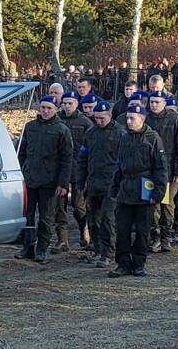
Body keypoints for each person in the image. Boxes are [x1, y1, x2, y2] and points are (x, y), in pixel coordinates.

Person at [15, 95, 74, 264]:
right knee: (28, 215)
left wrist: (63, 183)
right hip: (30, 178)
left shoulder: (62, 130)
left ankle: (42, 248)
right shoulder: (30, 127)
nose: (45, 111)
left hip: (50, 182)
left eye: (49, 108)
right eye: (43, 108)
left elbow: (67, 159)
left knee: (46, 217)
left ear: (56, 109)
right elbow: (22, 152)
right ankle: (28, 246)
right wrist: (20, 173)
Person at [111, 104, 167, 278]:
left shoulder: (152, 138)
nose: (128, 121)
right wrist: (114, 187)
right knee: (122, 230)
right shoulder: (124, 138)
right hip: (126, 189)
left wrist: (158, 192)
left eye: (132, 118)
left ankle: (139, 263)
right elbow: (119, 164)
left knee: (143, 230)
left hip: (144, 188)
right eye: (127, 118)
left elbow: (160, 167)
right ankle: (122, 263)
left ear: (142, 119)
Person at [77, 100, 126, 268]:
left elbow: (124, 161)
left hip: (111, 184)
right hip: (93, 183)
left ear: (110, 116)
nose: (99, 121)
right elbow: (83, 159)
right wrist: (80, 182)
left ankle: (108, 252)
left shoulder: (120, 133)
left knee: (107, 219)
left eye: (102, 118)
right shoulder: (91, 133)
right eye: (97, 118)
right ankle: (97, 249)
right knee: (93, 219)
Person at [145, 91, 178, 253]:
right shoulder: (146, 120)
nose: (154, 105)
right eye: (152, 102)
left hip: (170, 172)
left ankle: (166, 236)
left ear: (164, 103)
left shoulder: (174, 121)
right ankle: (155, 236)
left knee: (167, 205)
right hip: (150, 172)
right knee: (153, 205)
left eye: (157, 102)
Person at [55, 91, 94, 252]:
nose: (67, 106)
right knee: (59, 207)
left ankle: (85, 232)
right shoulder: (56, 120)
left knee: (79, 206)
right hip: (60, 169)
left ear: (77, 104)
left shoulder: (85, 122)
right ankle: (62, 240)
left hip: (79, 169)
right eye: (65, 103)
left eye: (70, 103)